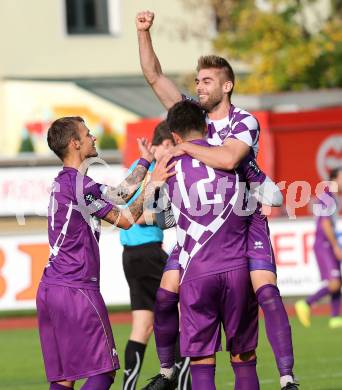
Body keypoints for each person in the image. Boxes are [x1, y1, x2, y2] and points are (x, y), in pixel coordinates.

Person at [136, 10, 297, 390]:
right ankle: (166, 371)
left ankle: (288, 377)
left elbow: (228, 158)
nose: (199, 86)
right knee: (164, 297)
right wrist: (143, 33)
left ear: (227, 86)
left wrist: (184, 149)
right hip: (199, 223)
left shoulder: (244, 121)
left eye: (207, 81)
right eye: (197, 81)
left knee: (266, 291)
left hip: (243, 217)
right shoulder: (196, 119)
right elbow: (154, 76)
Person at [36, 116, 175, 390]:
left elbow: (119, 194)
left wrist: (145, 163)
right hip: (76, 289)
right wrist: (152, 182)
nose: (94, 138)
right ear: (75, 143)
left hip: (50, 289)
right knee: (104, 371)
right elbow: (125, 219)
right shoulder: (79, 185)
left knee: (64, 379)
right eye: (88, 134)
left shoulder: (68, 183)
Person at [161, 100, 260, 390]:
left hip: (196, 272)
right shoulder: (229, 156)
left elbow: (160, 220)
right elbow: (268, 196)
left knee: (202, 360)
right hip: (237, 268)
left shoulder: (169, 166)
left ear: (176, 137)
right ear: (206, 127)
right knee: (243, 355)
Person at [120, 121, 191, 390]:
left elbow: (122, 202)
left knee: (142, 325)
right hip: (149, 253)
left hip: (131, 256)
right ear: (164, 146)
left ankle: (129, 387)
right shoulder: (154, 173)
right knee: (181, 314)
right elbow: (137, 217)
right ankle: (180, 381)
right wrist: (171, 218)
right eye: (173, 146)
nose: (176, 153)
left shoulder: (137, 171)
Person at [295, 167, 342, 329]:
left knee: (337, 280)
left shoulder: (330, 196)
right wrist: (336, 245)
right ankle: (306, 303)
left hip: (327, 243)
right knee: (334, 282)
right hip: (325, 244)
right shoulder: (328, 197)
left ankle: (336, 318)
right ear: (335, 179)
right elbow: (325, 223)